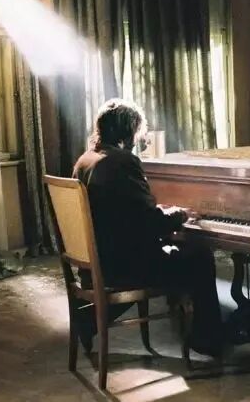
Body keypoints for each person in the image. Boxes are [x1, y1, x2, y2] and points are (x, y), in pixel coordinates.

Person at [73, 98, 225, 357]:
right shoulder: (122, 162)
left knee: (179, 252)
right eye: (136, 132)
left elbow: (122, 212)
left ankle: (89, 320)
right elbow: (150, 223)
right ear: (127, 132)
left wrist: (159, 210)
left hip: (96, 263)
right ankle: (206, 339)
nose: (138, 140)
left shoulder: (86, 160)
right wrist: (179, 214)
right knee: (200, 256)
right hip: (123, 267)